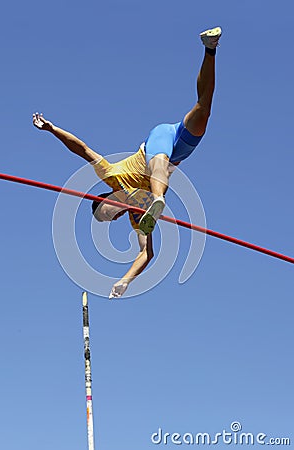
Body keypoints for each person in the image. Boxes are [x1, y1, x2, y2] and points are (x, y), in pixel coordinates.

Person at [33, 26, 222, 299]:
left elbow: (82, 149)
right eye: (112, 218)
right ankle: (210, 47)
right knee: (204, 108)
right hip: (179, 151)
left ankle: (159, 198)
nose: (116, 215)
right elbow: (146, 253)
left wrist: (52, 130)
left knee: (159, 164)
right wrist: (125, 281)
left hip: (159, 143)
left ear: (107, 198)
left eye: (108, 211)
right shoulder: (137, 216)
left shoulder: (110, 175)